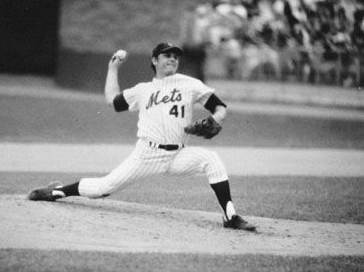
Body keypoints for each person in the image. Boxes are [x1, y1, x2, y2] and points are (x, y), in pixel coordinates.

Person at [28, 42, 256, 232]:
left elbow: (220, 107)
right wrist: (113, 69)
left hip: (178, 154)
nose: (172, 59)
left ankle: (230, 216)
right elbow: (112, 100)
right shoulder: (143, 90)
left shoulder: (190, 84)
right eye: (167, 55)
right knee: (102, 189)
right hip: (147, 154)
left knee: (211, 160)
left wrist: (216, 119)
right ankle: (56, 191)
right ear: (155, 60)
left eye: (175, 56)